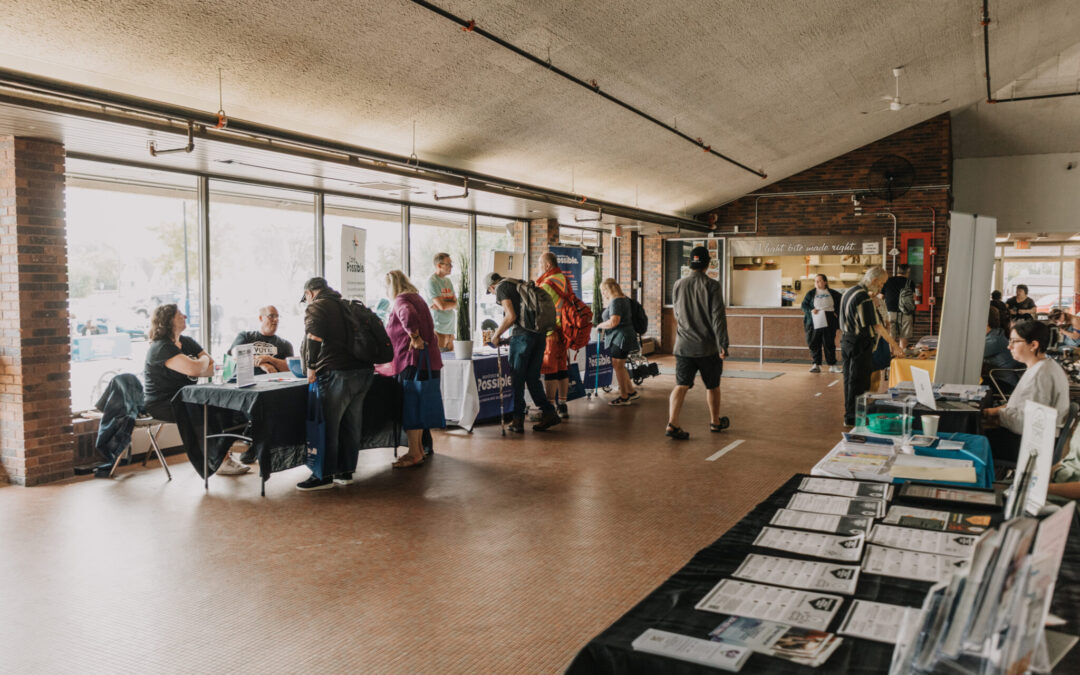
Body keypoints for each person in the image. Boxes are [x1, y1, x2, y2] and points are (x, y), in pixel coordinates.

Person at [143, 304, 248, 476]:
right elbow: (195, 370)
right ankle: (218, 459)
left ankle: (222, 452)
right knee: (208, 410)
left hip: (187, 397)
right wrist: (201, 363)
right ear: (169, 320)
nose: (185, 316)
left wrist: (200, 365)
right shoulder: (161, 347)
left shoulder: (187, 342)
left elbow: (210, 368)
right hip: (163, 403)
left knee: (227, 406)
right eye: (180, 315)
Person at [296, 276, 375, 490]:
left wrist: (311, 367)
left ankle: (323, 476)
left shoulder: (318, 307)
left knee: (328, 425)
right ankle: (345, 471)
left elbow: (314, 338)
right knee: (351, 424)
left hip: (337, 373)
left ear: (310, 293)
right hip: (363, 372)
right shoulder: (345, 304)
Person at [983, 320, 1071, 463]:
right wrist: (995, 412)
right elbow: (1024, 407)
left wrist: (996, 415)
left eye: (1014, 341)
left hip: (1030, 445)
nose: (1009, 346)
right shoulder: (1046, 366)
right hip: (1033, 438)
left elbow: (1029, 423)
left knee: (972, 438)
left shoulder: (1040, 375)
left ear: (1033, 345)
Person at [483, 272, 561, 433]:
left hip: (523, 337)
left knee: (517, 377)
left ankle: (517, 419)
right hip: (539, 335)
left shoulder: (502, 288)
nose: (493, 295)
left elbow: (511, 316)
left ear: (492, 286)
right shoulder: (516, 283)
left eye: (490, 292)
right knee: (532, 377)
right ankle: (549, 412)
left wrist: (496, 335)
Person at [665, 246, 729, 440]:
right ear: (707, 265)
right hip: (707, 347)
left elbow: (676, 313)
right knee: (712, 385)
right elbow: (718, 316)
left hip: (683, 346)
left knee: (681, 384)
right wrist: (723, 344)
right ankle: (715, 422)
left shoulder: (678, 284)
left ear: (689, 264)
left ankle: (673, 423)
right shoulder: (712, 285)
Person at [383, 270, 442, 468]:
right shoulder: (418, 298)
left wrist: (414, 337)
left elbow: (407, 315)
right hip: (428, 361)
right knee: (419, 406)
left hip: (411, 362)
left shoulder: (401, 300)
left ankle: (414, 452)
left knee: (410, 406)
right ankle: (418, 450)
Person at [839, 266, 902, 427]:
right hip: (860, 342)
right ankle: (855, 418)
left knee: (849, 380)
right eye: (881, 284)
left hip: (846, 340)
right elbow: (877, 326)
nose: (881, 288)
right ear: (873, 280)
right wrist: (895, 345)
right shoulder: (863, 297)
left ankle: (849, 415)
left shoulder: (849, 291)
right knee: (860, 382)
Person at [536, 252, 571, 419]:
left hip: (551, 331)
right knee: (562, 367)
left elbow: (540, 308)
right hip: (564, 330)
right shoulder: (563, 278)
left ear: (547, 265)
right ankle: (562, 405)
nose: (539, 268)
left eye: (540, 264)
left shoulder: (547, 283)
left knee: (550, 369)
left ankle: (550, 405)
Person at [595, 279, 639, 406]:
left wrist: (600, 325)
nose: (603, 294)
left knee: (618, 365)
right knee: (620, 365)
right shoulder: (623, 299)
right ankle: (631, 392)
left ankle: (624, 397)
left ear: (609, 290)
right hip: (623, 336)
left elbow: (614, 321)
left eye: (603, 291)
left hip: (620, 337)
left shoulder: (616, 301)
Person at [227, 305, 294, 375]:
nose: (276, 319)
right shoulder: (245, 336)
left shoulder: (285, 344)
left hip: (273, 384)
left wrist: (270, 359)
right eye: (271, 316)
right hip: (245, 383)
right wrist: (262, 364)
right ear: (261, 318)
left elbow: (290, 368)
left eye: (277, 316)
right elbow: (236, 354)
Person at [800, 274, 842, 373]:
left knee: (829, 343)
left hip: (829, 319)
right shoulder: (811, 293)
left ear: (825, 282)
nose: (817, 283)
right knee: (814, 342)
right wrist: (811, 310)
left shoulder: (833, 293)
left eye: (819, 281)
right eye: (815, 281)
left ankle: (832, 365)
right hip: (815, 319)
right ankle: (816, 364)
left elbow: (842, 303)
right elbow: (804, 305)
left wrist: (837, 313)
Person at [983, 307, 1023, 395]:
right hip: (996, 379)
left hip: (1003, 383)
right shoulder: (994, 335)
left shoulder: (994, 340)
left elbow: (970, 355)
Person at [424, 252, 457, 352]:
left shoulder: (448, 281)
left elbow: (456, 303)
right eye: (448, 264)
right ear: (439, 265)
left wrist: (446, 304)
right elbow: (442, 306)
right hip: (438, 329)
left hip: (450, 330)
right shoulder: (432, 282)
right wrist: (446, 304)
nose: (451, 266)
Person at [881, 264, 916, 350]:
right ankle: (901, 355)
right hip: (906, 312)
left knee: (891, 335)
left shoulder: (888, 281)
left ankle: (891, 355)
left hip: (890, 311)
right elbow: (914, 297)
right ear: (908, 272)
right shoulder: (910, 282)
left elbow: (881, 297)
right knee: (904, 336)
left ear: (898, 271)